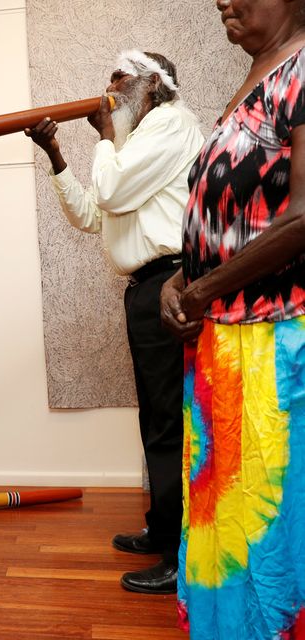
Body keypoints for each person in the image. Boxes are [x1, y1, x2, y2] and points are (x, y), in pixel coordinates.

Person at [24, 50, 204, 595]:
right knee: (156, 417)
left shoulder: (173, 124)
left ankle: (181, 555)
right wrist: (56, 153)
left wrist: (102, 137)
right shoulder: (133, 146)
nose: (111, 85)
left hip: (171, 284)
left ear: (153, 84)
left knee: (171, 421)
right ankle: (164, 529)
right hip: (144, 289)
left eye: (121, 76)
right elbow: (89, 213)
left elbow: (111, 190)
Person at [161, 0, 305, 636]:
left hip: (274, 345)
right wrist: (179, 280)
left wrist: (201, 291)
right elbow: (227, 217)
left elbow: (302, 217)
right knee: (225, 522)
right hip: (224, 344)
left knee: (268, 529)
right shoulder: (257, 74)